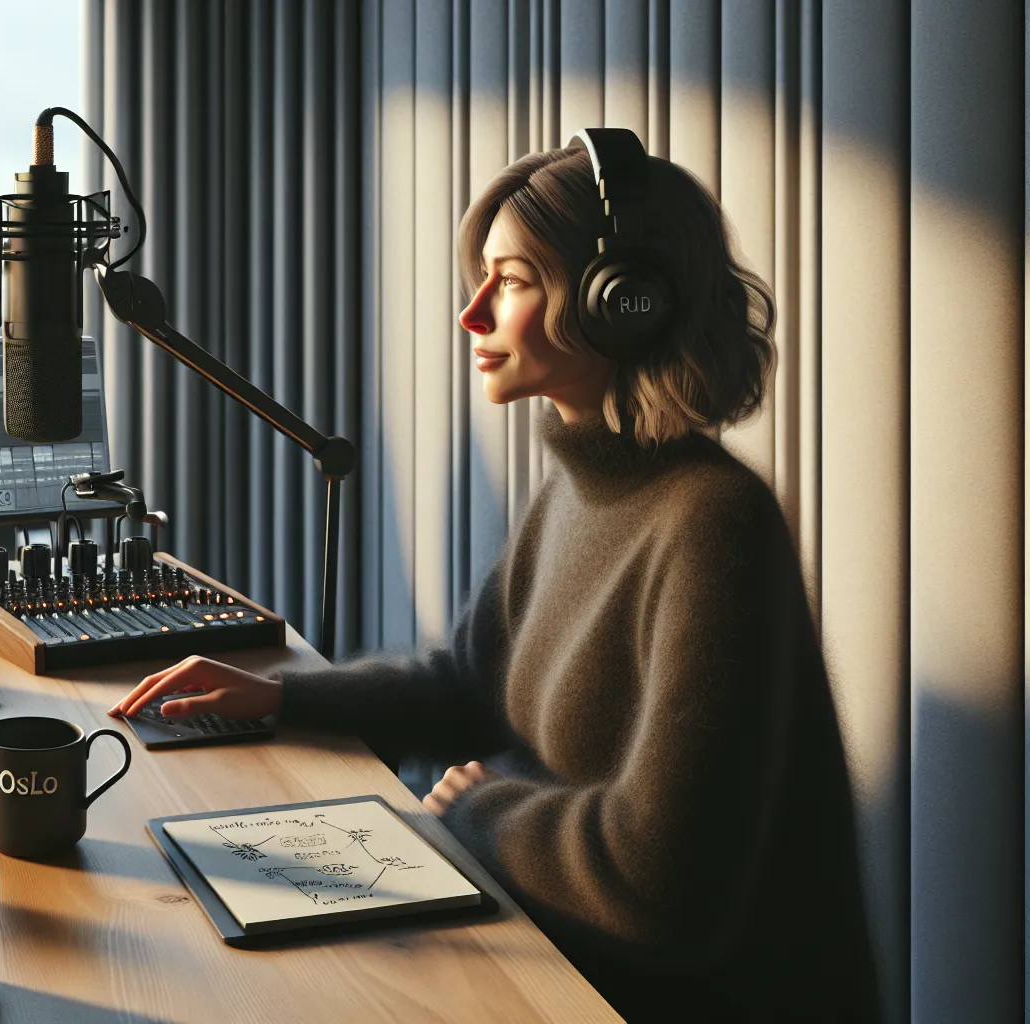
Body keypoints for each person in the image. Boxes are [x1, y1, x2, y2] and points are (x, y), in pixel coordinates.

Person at [111, 138, 879, 1022]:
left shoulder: (713, 522)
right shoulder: (581, 490)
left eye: (510, 282)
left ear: (621, 305)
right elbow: (468, 685)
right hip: (553, 953)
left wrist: (480, 807)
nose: (473, 314)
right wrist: (281, 697)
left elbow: (664, 887)